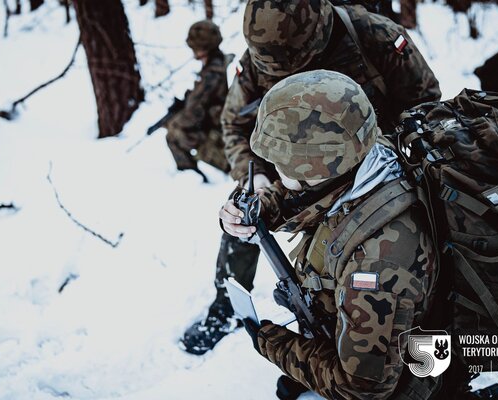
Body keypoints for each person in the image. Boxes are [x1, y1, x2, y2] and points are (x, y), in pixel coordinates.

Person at [180, 0, 441, 356]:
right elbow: (234, 123)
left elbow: (425, 108)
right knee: (243, 215)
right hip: (286, 165)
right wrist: (251, 177)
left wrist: (381, 161)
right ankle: (226, 307)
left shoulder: (375, 37)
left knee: (368, 258)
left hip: (371, 167)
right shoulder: (263, 52)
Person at [220, 70, 437, 400]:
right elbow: (304, 196)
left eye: (281, 164)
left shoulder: (375, 264)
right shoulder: (366, 154)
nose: (274, 171)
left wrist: (271, 342)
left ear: (316, 169)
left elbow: (361, 387)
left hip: (417, 364)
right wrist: (251, 209)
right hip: (366, 328)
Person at [165, 20, 230, 183]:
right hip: (217, 126)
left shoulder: (211, 74)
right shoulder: (218, 62)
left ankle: (189, 178)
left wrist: (173, 121)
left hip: (217, 133)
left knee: (173, 134)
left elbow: (192, 115)